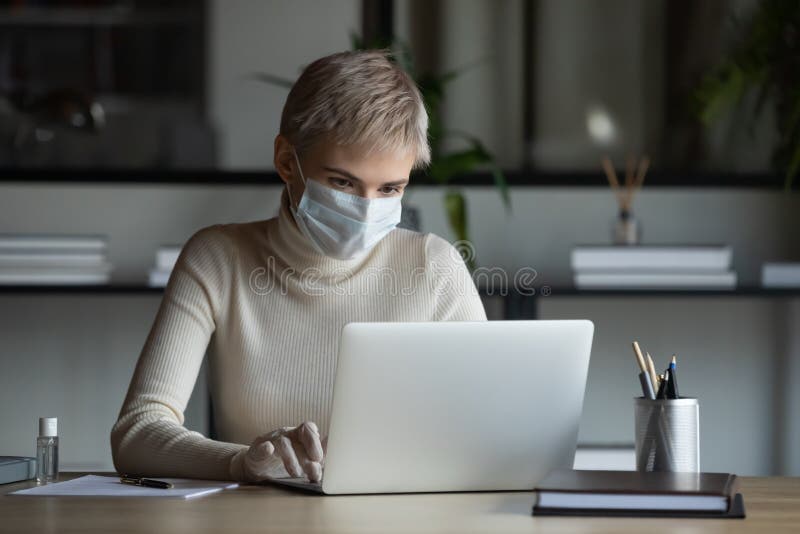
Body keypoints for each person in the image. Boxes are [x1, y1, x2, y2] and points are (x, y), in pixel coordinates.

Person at [110, 50, 486, 484]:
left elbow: (486, 430)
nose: (367, 210)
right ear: (288, 162)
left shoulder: (433, 267)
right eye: (343, 183)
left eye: (389, 188)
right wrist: (244, 462)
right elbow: (137, 434)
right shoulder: (217, 258)